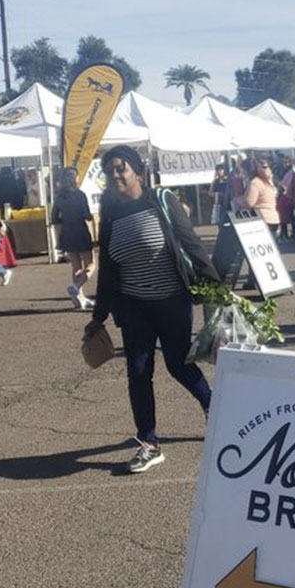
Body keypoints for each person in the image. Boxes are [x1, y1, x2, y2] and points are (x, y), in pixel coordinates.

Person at [85, 146, 219, 474]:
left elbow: (191, 244)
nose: (115, 175)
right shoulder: (111, 211)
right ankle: (149, 443)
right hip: (133, 307)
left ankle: (214, 408)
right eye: (110, 170)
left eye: (121, 168)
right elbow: (109, 267)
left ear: (137, 172)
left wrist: (217, 289)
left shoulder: (161, 201)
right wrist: (99, 315)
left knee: (178, 365)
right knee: (139, 372)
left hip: (172, 301)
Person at [51, 168, 95, 310]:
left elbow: (54, 218)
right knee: (91, 264)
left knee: (75, 266)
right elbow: (87, 215)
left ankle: (79, 298)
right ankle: (77, 286)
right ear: (75, 179)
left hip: (66, 232)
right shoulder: (80, 195)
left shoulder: (59, 197)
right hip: (81, 231)